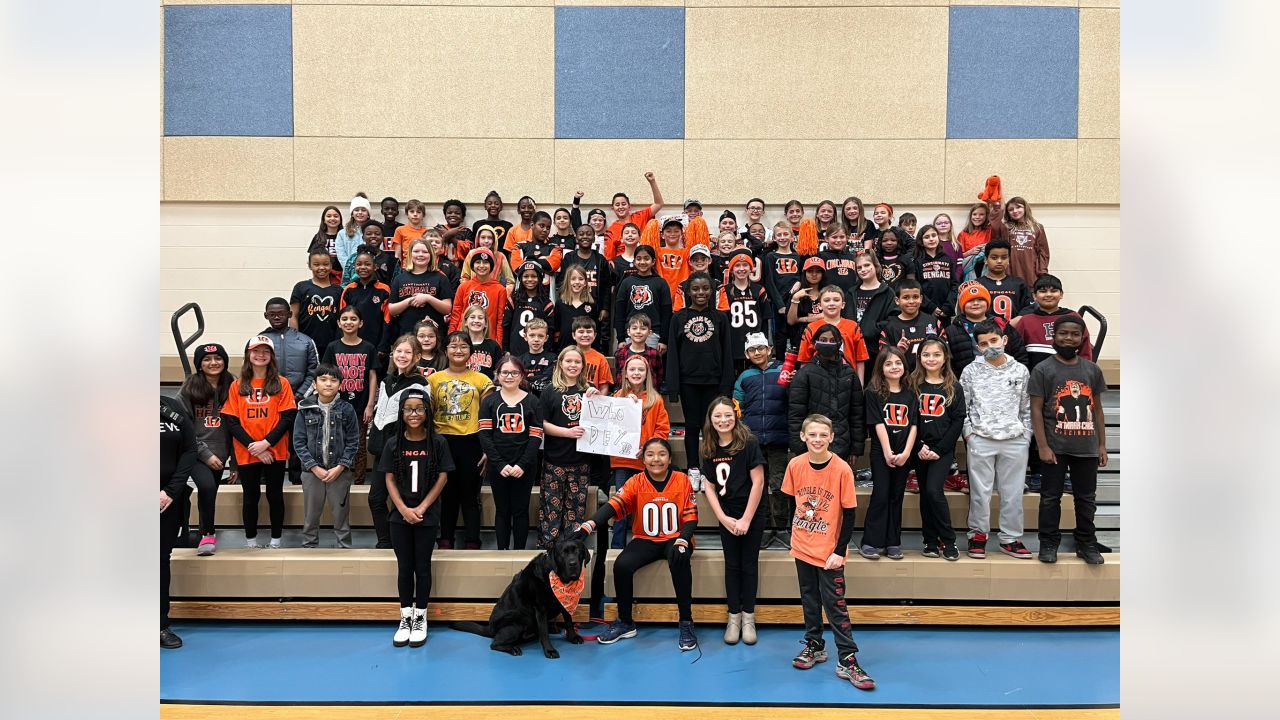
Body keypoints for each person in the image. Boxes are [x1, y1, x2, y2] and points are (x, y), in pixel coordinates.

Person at [576, 438, 699, 651]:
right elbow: (614, 505)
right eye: (650, 454)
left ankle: (686, 622)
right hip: (645, 539)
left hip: (675, 537)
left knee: (679, 557)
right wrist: (590, 523)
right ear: (643, 459)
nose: (656, 459)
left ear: (670, 458)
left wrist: (683, 538)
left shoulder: (681, 480)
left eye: (662, 454)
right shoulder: (636, 481)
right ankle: (625, 622)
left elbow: (691, 516)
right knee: (621, 565)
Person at [783, 414, 875, 691]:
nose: (818, 439)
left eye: (823, 435)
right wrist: (794, 536)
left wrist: (839, 549)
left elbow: (849, 514)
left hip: (829, 552)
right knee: (809, 600)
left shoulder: (842, 469)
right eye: (812, 435)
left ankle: (847, 658)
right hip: (802, 546)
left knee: (835, 604)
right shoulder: (795, 465)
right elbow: (791, 504)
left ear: (832, 438)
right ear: (803, 437)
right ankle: (814, 645)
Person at [1029, 316, 1108, 565]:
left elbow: (1097, 410)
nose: (1069, 338)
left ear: (1082, 338)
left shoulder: (1091, 369)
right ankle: (1048, 543)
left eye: (1074, 334)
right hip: (1055, 448)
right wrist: (1042, 445)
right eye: (1063, 333)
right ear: (1054, 336)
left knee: (1086, 499)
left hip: (1086, 448)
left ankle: (1086, 543)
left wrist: (1102, 444)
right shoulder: (1043, 369)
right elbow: (1035, 410)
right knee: (1050, 498)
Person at [381, 387, 453, 648]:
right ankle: (405, 617)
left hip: (426, 515)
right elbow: (388, 477)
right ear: (401, 412)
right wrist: (402, 509)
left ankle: (421, 617)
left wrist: (421, 508)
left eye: (419, 409)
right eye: (409, 409)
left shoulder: (438, 442)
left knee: (422, 568)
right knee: (404, 568)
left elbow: (443, 476)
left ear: (427, 411)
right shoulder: (393, 443)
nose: (414, 414)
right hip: (400, 517)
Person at [959, 321, 1033, 559]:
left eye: (993, 340)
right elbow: (964, 407)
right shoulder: (970, 371)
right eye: (983, 344)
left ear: (1004, 340)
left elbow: (1027, 406)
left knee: (1012, 493)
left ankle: (1010, 538)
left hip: (1014, 439)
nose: (989, 346)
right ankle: (978, 536)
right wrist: (969, 434)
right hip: (981, 438)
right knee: (980, 492)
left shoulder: (1020, 370)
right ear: (978, 347)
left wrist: (1026, 434)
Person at [700, 396, 766, 645]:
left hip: (751, 512)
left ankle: (749, 617)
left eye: (727, 415)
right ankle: (733, 617)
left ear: (735, 416)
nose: (723, 420)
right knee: (732, 565)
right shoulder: (708, 445)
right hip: (726, 514)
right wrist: (722, 517)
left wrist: (746, 519)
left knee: (749, 564)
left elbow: (758, 482)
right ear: (711, 419)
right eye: (717, 416)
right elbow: (708, 485)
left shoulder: (748, 442)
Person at [221, 336, 297, 548]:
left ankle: (276, 540)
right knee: (250, 496)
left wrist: (266, 444)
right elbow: (232, 422)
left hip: (275, 450)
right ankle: (251, 541)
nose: (260, 355)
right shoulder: (237, 385)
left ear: (272, 356)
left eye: (265, 351)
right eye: (256, 351)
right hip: (247, 451)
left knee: (275, 495)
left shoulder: (282, 383)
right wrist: (254, 447)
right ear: (248, 354)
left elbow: (287, 418)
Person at [427, 332, 494, 549]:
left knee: (469, 495)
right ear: (445, 350)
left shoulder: (482, 380)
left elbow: (487, 417)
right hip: (442, 441)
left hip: (471, 441)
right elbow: (429, 414)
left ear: (471, 352)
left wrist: (486, 447)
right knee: (446, 494)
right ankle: (445, 539)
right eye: (453, 346)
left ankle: (472, 541)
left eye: (463, 346)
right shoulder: (433, 379)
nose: (458, 350)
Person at [667, 271, 735, 476]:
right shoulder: (678, 318)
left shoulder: (720, 318)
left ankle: (711, 467)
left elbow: (727, 353)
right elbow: (672, 353)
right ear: (688, 291)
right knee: (692, 424)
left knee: (713, 426)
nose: (701, 292)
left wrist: (726, 385)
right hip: (689, 382)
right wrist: (673, 387)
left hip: (713, 381)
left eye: (705, 288)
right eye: (695, 288)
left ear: (712, 291)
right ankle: (693, 468)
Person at [478, 355, 545, 551]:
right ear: (497, 375)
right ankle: (502, 552)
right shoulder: (489, 402)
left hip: (524, 466)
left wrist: (521, 465)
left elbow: (535, 436)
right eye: (505, 372)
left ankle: (519, 552)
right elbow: (485, 436)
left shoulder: (533, 401)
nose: (509, 376)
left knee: (520, 510)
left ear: (522, 376)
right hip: (499, 465)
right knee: (502, 510)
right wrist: (499, 464)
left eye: (514, 372)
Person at [858, 348, 919, 561]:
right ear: (881, 368)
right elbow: (877, 423)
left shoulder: (912, 392)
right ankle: (871, 541)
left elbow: (914, 425)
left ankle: (893, 541)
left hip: (904, 452)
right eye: (888, 363)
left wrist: (906, 453)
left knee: (896, 496)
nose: (894, 367)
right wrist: (887, 452)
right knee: (881, 494)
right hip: (881, 451)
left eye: (898, 363)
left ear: (904, 365)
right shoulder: (874, 392)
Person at [368, 335, 427, 549]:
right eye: (398, 351)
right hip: (381, 451)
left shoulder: (419, 385)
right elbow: (380, 415)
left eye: (407, 352)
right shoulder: (387, 380)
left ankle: (404, 543)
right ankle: (386, 542)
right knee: (375, 499)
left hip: (403, 452)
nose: (402, 356)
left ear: (417, 357)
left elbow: (417, 421)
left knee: (402, 501)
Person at [734, 333, 793, 549]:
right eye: (752, 350)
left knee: (779, 485)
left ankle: (782, 528)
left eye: (761, 348)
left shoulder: (783, 372)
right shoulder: (744, 377)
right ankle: (765, 527)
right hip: (753, 441)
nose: (757, 353)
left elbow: (793, 401)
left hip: (779, 439)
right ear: (746, 354)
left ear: (769, 349)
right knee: (757, 485)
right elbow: (736, 407)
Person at [292, 363, 359, 548]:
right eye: (323, 379)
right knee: (311, 515)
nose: (328, 384)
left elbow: (354, 441)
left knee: (341, 516)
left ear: (340, 385)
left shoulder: (347, 409)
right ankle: (309, 547)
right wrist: (314, 467)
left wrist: (341, 466)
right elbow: (298, 442)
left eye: (333, 380)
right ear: (314, 384)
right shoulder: (305, 409)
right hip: (312, 473)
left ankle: (344, 548)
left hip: (340, 472)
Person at [607, 355, 671, 550]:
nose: (636, 373)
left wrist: (647, 449)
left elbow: (662, 430)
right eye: (632, 369)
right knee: (621, 505)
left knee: (645, 506)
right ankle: (617, 548)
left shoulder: (655, 400)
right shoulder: (617, 398)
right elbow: (608, 426)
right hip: (623, 462)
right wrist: (626, 404)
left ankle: (643, 545)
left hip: (647, 463)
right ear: (625, 374)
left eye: (640, 370)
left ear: (647, 374)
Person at [911, 338, 966, 560]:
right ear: (919, 358)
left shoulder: (954, 387)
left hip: (942, 451)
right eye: (926, 355)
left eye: (936, 355)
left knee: (934, 492)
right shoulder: (912, 384)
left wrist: (940, 449)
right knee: (925, 495)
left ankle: (949, 541)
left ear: (945, 358)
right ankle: (930, 541)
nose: (931, 359)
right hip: (919, 448)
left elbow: (958, 420)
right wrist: (919, 446)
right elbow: (909, 419)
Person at [177, 343, 234, 556]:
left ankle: (204, 531)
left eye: (218, 358)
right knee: (207, 487)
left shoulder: (234, 385)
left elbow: (238, 426)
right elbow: (184, 426)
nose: (213, 363)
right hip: (194, 452)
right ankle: (207, 534)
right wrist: (206, 454)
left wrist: (235, 462)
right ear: (200, 365)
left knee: (210, 492)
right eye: (207, 360)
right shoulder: (189, 387)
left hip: (222, 453)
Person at [538, 347, 594, 548]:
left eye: (577, 362)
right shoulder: (550, 391)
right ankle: (548, 550)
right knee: (550, 512)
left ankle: (572, 552)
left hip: (581, 462)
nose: (572, 365)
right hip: (555, 461)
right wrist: (567, 432)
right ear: (560, 363)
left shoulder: (589, 391)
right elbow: (541, 423)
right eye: (568, 361)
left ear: (583, 366)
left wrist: (598, 397)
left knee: (575, 512)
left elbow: (606, 419)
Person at [788, 324, 866, 467]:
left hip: (842, 446)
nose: (828, 344)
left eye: (832, 340)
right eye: (823, 339)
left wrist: (856, 449)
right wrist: (799, 448)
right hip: (811, 447)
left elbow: (857, 415)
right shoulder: (804, 374)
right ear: (814, 343)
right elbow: (796, 415)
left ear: (839, 344)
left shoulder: (850, 374)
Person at [262, 296, 319, 486]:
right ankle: (265, 480)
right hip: (268, 404)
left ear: (289, 314)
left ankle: (297, 481)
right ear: (266, 316)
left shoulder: (305, 341)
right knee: (269, 440)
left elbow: (314, 372)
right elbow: (252, 371)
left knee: (297, 442)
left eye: (280, 313)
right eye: (272, 314)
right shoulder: (259, 340)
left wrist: (298, 396)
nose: (277, 317)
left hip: (298, 402)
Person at [321, 306, 378, 483]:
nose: (349, 322)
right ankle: (338, 478)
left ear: (360, 323)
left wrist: (370, 405)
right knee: (337, 442)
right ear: (339, 323)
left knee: (359, 445)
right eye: (344, 319)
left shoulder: (368, 347)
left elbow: (372, 376)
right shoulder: (333, 347)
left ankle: (358, 481)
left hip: (360, 406)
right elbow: (325, 376)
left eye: (353, 319)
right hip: (337, 405)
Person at [161, 395, 197, 649]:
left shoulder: (171, 407)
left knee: (160, 560)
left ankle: (160, 624)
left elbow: (189, 449)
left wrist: (171, 491)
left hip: (166, 501)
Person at [944, 281, 1029, 376]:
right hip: (968, 383)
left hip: (1004, 381)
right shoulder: (952, 330)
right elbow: (948, 364)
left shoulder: (1001, 324)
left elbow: (1020, 353)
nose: (976, 303)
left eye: (980, 299)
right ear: (962, 304)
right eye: (970, 300)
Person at [1011, 273, 1094, 369]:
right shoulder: (1025, 321)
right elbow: (1017, 352)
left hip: (1069, 376)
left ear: (1061, 294)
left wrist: (1084, 371)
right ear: (1034, 296)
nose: (1048, 295)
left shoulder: (1073, 317)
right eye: (1043, 291)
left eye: (1054, 291)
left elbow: (1085, 350)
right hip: (1034, 376)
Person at [388, 238, 454, 346]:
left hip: (433, 337)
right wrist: (409, 301)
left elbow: (447, 308)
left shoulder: (441, 278)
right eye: (416, 251)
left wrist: (428, 298)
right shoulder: (399, 278)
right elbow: (392, 310)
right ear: (410, 254)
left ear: (431, 254)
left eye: (425, 252)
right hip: (407, 336)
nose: (420, 255)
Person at [717, 252, 773, 375]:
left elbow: (765, 318)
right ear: (731, 269)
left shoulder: (759, 290)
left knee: (754, 376)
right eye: (737, 266)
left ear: (750, 268)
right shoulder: (724, 290)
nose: (741, 269)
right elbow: (721, 320)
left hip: (754, 343)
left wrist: (765, 342)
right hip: (733, 340)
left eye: (745, 265)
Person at [796, 286, 869, 376]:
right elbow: (804, 361)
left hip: (847, 379)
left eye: (836, 300)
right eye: (827, 300)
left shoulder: (853, 326)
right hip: (818, 380)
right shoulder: (811, 328)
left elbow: (860, 360)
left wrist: (860, 386)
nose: (831, 303)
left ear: (843, 305)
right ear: (819, 306)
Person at [847, 253, 898, 378]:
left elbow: (893, 318)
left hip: (874, 349)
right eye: (859, 267)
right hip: (852, 348)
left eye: (867, 265)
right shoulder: (851, 292)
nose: (863, 269)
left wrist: (872, 329)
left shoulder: (887, 292)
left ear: (876, 266)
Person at [613, 245, 672, 349]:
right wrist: (621, 338)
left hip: (654, 335)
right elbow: (619, 313)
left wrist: (664, 339)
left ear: (653, 261)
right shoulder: (626, 282)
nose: (642, 262)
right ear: (634, 261)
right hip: (630, 334)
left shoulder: (661, 283)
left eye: (646, 258)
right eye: (639, 259)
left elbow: (666, 314)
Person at [450, 248, 510, 346]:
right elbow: (456, 314)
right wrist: (451, 337)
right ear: (472, 266)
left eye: (485, 262)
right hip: (463, 339)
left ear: (491, 266)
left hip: (487, 340)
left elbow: (499, 321)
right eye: (478, 262)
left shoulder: (500, 290)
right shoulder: (463, 287)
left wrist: (498, 344)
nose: (481, 266)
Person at [339, 246, 393, 356]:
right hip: (352, 346)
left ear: (375, 267)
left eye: (367, 264)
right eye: (359, 264)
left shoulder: (384, 290)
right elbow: (342, 320)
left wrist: (383, 346)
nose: (363, 267)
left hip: (377, 346)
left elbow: (387, 321)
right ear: (354, 267)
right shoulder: (349, 290)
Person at [877, 280, 943, 370]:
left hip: (930, 377)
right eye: (906, 297)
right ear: (897, 300)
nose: (911, 301)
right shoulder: (889, 327)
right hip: (903, 380)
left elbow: (945, 352)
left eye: (915, 297)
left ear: (921, 299)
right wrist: (897, 351)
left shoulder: (933, 322)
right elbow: (883, 360)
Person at [290, 248, 341, 355]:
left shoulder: (339, 290)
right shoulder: (301, 287)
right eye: (316, 264)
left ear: (331, 265)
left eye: (326, 264)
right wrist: (295, 340)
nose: (321, 268)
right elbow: (293, 315)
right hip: (306, 343)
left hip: (332, 344)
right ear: (310, 265)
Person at [604, 172, 665, 260]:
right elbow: (610, 258)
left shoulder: (640, 216)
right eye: (617, 205)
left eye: (623, 204)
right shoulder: (611, 230)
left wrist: (652, 182)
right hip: (623, 266)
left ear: (629, 206)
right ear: (613, 208)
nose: (620, 207)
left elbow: (659, 204)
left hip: (644, 261)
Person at [503, 261, 557, 357]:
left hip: (538, 353)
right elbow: (506, 326)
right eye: (526, 276)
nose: (530, 279)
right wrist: (505, 349)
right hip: (515, 351)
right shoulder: (513, 300)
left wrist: (547, 352)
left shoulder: (546, 303)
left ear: (540, 278)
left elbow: (550, 330)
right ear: (520, 278)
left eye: (534, 276)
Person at [993, 196, 1049, 288]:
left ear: (1025, 208)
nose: (1015, 211)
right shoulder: (1006, 228)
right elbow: (995, 224)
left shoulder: (1037, 228)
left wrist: (1042, 271)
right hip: (1011, 272)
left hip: (1031, 273)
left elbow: (1043, 251)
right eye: (1011, 209)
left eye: (1018, 207)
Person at [977, 238, 1033, 322]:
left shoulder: (1019, 283)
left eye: (1004, 257)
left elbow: (1029, 307)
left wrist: (1015, 322)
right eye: (994, 258)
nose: (999, 261)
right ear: (985, 260)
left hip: (1014, 330)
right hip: (986, 333)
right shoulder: (977, 284)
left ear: (1008, 260)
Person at [914, 224, 960, 323]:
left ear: (938, 237)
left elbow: (954, 285)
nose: (931, 239)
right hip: (926, 311)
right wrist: (930, 307)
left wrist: (948, 307)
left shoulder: (947, 259)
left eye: (934, 235)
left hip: (945, 312)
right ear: (921, 242)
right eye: (926, 237)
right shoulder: (917, 261)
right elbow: (916, 288)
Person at [556, 264, 607, 352]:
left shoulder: (592, 305)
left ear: (585, 283)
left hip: (586, 351)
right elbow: (556, 329)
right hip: (565, 350)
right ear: (567, 281)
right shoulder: (560, 303)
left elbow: (595, 331)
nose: (577, 282)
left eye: (581, 279)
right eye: (573, 279)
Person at [786, 257, 827, 360]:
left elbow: (831, 316)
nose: (814, 274)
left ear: (823, 274)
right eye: (810, 271)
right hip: (801, 342)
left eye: (818, 271)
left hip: (825, 342)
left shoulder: (828, 292)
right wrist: (795, 298)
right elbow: (791, 321)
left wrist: (802, 319)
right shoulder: (797, 292)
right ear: (804, 273)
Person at [615, 313, 664, 392]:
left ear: (649, 333)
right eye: (634, 328)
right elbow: (619, 377)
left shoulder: (654, 354)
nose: (638, 331)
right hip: (626, 397)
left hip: (648, 396)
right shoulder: (620, 353)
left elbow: (658, 377)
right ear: (628, 332)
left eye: (643, 329)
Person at [336, 194, 372, 282]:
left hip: (370, 274)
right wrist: (352, 270)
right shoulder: (342, 233)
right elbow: (341, 255)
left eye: (363, 210)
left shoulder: (374, 232)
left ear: (368, 214)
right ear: (352, 213)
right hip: (349, 276)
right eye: (356, 210)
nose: (360, 212)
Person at [517, 318, 555, 395]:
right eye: (532, 335)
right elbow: (516, 380)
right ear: (525, 337)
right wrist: (538, 377)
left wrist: (526, 379)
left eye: (540, 336)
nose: (536, 339)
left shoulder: (552, 358)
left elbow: (548, 378)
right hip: (523, 399)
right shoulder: (519, 360)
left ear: (546, 338)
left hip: (544, 399)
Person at [307, 205, 344, 282]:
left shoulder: (345, 237)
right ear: (324, 220)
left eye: (336, 216)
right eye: (329, 216)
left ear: (340, 219)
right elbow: (312, 257)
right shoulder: (318, 237)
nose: (332, 218)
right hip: (323, 274)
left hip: (342, 275)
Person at [393, 199, 430, 271]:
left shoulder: (427, 232)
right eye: (412, 211)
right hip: (406, 268)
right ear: (407, 214)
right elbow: (397, 254)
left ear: (423, 215)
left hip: (423, 267)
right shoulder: (400, 230)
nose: (415, 214)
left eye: (418, 212)